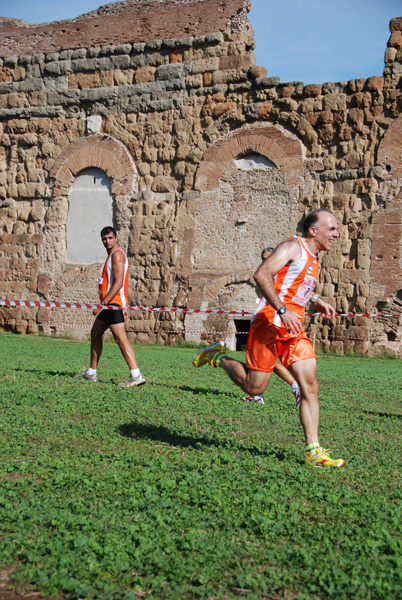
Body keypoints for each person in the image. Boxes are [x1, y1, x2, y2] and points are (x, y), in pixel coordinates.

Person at [192, 209, 345, 468]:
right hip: (270, 324)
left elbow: (295, 286)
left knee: (310, 384)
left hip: (295, 329)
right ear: (313, 230)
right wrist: (282, 311)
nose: (336, 233)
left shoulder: (315, 257)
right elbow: (262, 274)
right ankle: (216, 356)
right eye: (331, 228)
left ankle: (313, 451)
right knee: (255, 388)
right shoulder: (292, 247)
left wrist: (316, 300)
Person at [74, 226, 145, 388]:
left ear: (116, 238)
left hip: (112, 304)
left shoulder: (117, 254)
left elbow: (119, 282)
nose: (107, 241)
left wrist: (103, 304)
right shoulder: (112, 255)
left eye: (110, 238)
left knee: (121, 338)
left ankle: (136, 375)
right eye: (104, 239)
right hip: (110, 305)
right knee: (95, 333)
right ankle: (91, 373)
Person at [241, 246, 301, 407]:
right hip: (267, 317)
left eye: (268, 258)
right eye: (263, 259)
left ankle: (295, 386)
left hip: (273, 319)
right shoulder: (268, 274)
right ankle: (257, 394)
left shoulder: (280, 276)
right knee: (261, 358)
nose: (265, 262)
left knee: (266, 358)